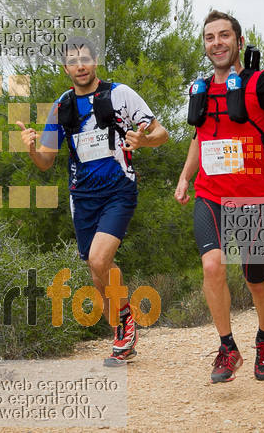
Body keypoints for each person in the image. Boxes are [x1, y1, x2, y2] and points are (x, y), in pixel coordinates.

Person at [175, 11, 264, 383]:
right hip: (210, 195)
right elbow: (199, 138)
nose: (216, 42)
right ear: (204, 45)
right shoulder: (200, 89)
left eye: (223, 35)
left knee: (255, 282)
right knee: (212, 266)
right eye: (209, 37)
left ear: (238, 40)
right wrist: (185, 177)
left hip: (253, 199)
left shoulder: (258, 83)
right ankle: (227, 347)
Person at [16, 37, 168, 366]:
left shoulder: (120, 95)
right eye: (72, 61)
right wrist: (31, 148)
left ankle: (126, 322)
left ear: (95, 61)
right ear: (65, 67)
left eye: (85, 58)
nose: (80, 66)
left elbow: (161, 134)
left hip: (118, 190)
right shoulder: (62, 106)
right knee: (94, 271)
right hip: (82, 198)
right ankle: (121, 335)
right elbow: (46, 160)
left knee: (100, 261)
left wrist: (143, 140)